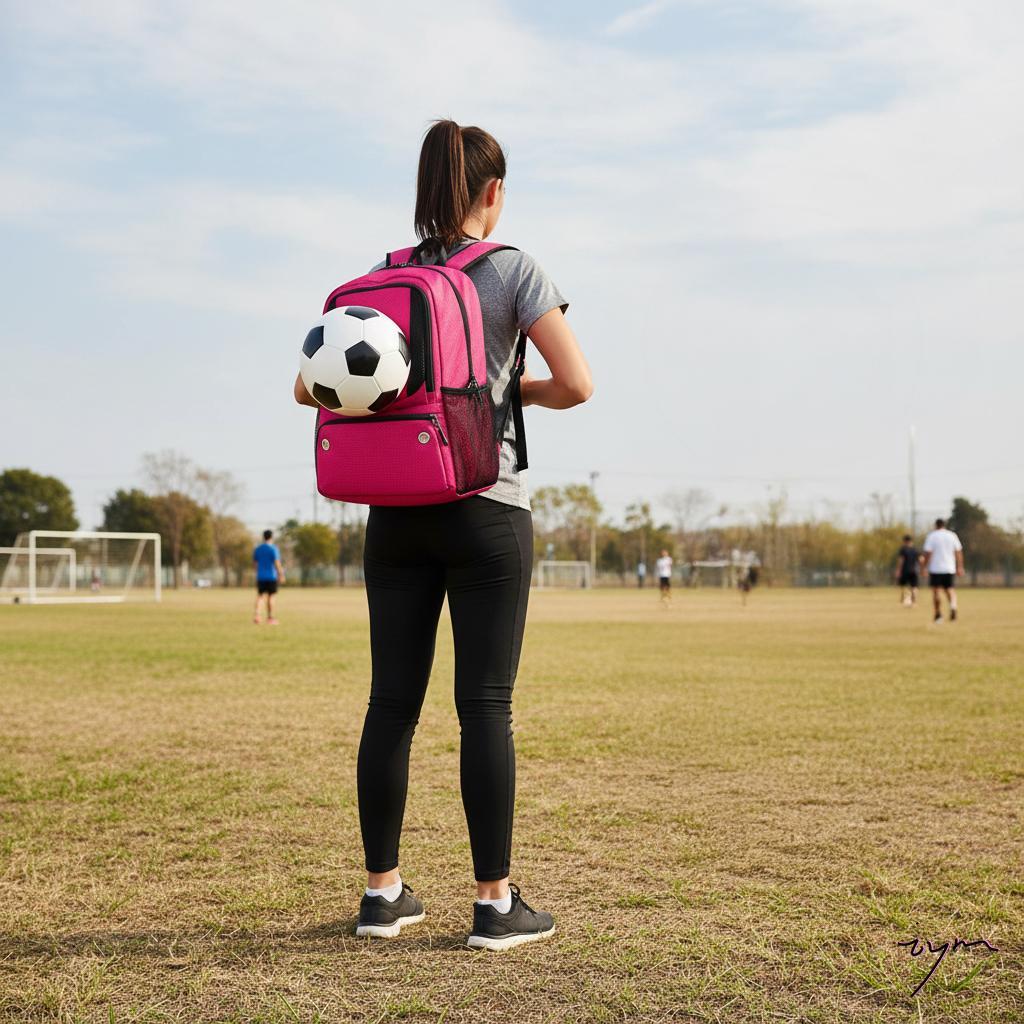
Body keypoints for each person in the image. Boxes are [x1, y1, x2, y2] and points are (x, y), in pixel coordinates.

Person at [294, 120, 593, 949]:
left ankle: (382, 895)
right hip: (484, 506)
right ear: (491, 192)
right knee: (484, 704)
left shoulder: (374, 285)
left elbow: (305, 387)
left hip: (395, 513)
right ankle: (495, 906)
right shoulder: (511, 268)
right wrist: (508, 396)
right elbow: (578, 383)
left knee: (391, 702)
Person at [920, 518, 964, 623]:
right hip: (949, 567)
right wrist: (960, 567)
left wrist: (924, 567)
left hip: (936, 568)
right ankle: (953, 606)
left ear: (936, 525)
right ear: (944, 525)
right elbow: (958, 552)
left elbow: (928, 553)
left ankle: (938, 615)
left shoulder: (932, 536)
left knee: (936, 592)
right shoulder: (952, 536)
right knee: (950, 589)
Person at [253, 529, 284, 625]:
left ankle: (257, 616)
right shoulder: (273, 549)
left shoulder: (258, 549)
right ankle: (270, 618)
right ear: (271, 537)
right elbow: (277, 562)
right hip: (271, 576)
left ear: (263, 537)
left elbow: (255, 564)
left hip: (261, 576)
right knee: (271, 596)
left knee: (260, 596)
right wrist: (281, 574)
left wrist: (258, 573)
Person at [894, 533, 919, 607]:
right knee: (914, 587)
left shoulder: (903, 549)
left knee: (903, 586)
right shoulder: (915, 550)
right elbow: (921, 560)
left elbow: (901, 560)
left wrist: (898, 570)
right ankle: (914, 602)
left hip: (905, 570)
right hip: (914, 570)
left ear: (905, 541)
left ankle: (903, 600)